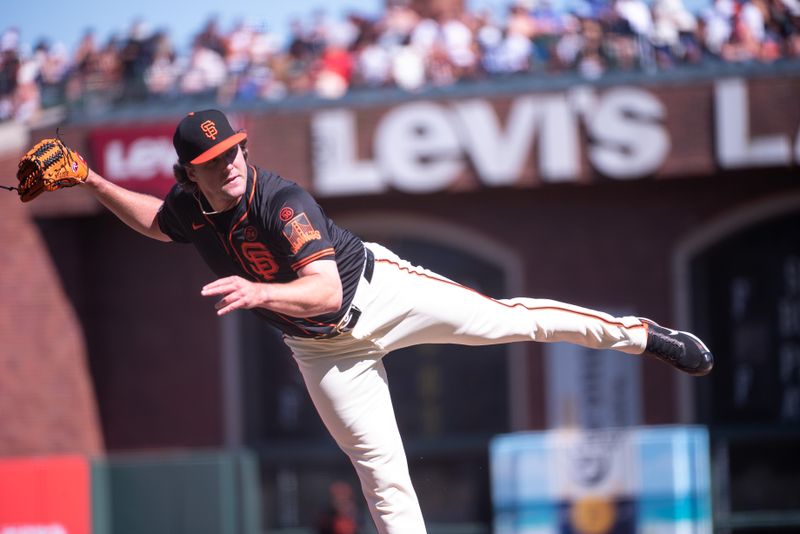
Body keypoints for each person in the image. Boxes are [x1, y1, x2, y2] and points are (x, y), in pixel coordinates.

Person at [74, 109, 712, 534]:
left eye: (235, 150)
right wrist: (89, 178)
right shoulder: (190, 206)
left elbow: (323, 290)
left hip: (380, 293)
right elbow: (158, 224)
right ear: (190, 173)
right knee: (384, 480)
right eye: (215, 160)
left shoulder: (282, 199)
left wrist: (259, 291)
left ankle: (641, 335)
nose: (232, 163)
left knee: (510, 321)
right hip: (322, 350)